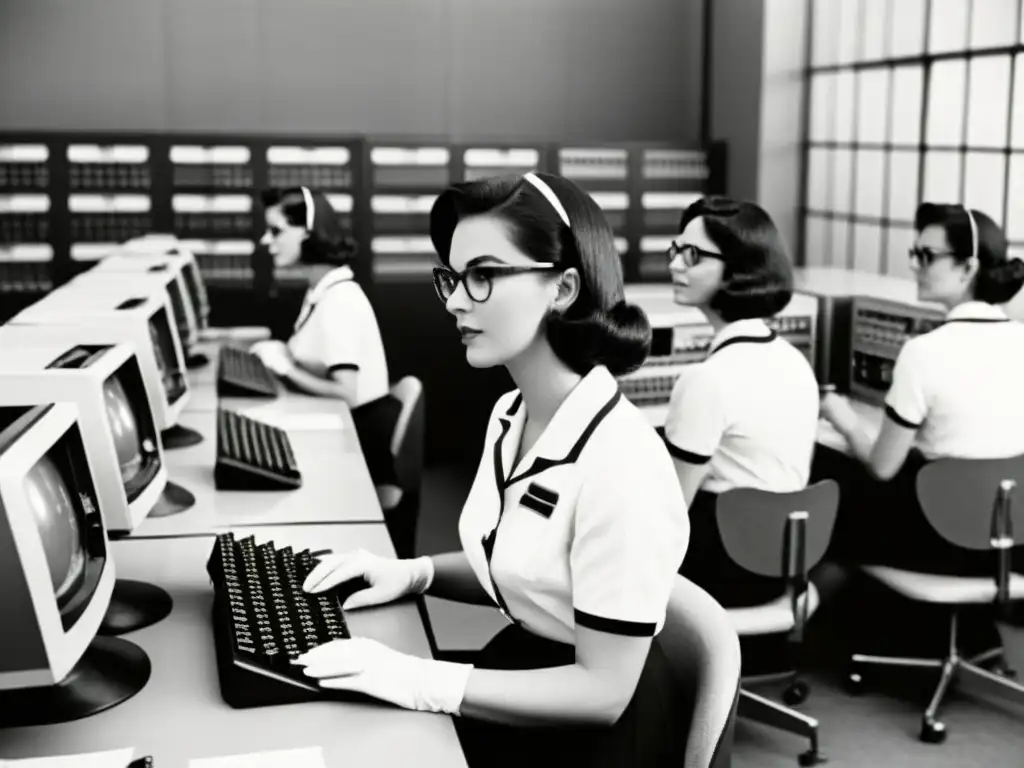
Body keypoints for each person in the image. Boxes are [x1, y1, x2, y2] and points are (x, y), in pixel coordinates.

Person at [295, 172, 690, 767]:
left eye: (482, 276)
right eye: (452, 279)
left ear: (563, 287)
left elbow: (604, 693)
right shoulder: (511, 413)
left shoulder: (622, 464)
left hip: (591, 736)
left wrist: (421, 680)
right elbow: (525, 568)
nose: (455, 301)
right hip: (518, 677)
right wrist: (413, 573)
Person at [817, 203, 1024, 574]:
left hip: (943, 540)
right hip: (1013, 538)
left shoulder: (923, 351)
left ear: (969, 267)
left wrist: (843, 418)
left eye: (926, 256)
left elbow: (882, 466)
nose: (913, 265)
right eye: (914, 254)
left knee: (830, 474)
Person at [661, 196, 819, 608]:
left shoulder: (706, 380)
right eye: (675, 250)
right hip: (784, 563)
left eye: (692, 255)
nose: (675, 265)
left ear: (738, 268)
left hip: (722, 571)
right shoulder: (795, 361)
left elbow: (671, 511)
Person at [251, 186, 389, 409]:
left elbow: (347, 394)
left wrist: (286, 369)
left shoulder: (340, 299)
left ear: (308, 232)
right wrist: (284, 353)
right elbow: (318, 362)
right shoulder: (320, 290)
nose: (266, 240)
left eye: (276, 231)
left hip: (358, 433)